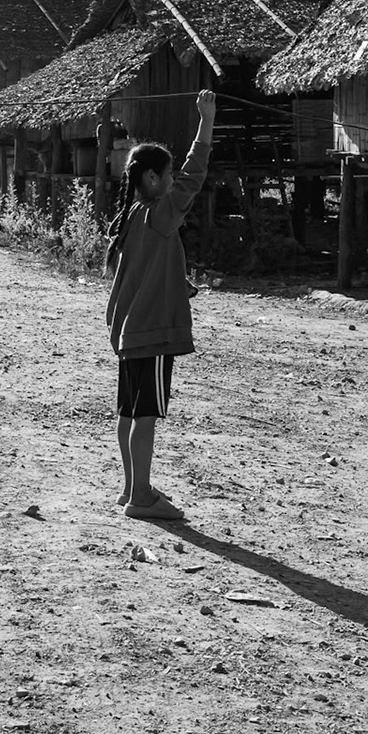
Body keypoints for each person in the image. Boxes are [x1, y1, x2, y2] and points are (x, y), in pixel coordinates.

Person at [104, 89, 215, 521]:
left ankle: (131, 487)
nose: (173, 182)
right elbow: (195, 176)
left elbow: (143, 273)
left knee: (129, 413)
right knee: (145, 416)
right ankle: (142, 498)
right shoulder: (159, 213)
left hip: (131, 330)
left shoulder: (131, 215)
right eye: (166, 175)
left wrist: (177, 284)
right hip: (149, 332)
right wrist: (206, 121)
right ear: (151, 179)